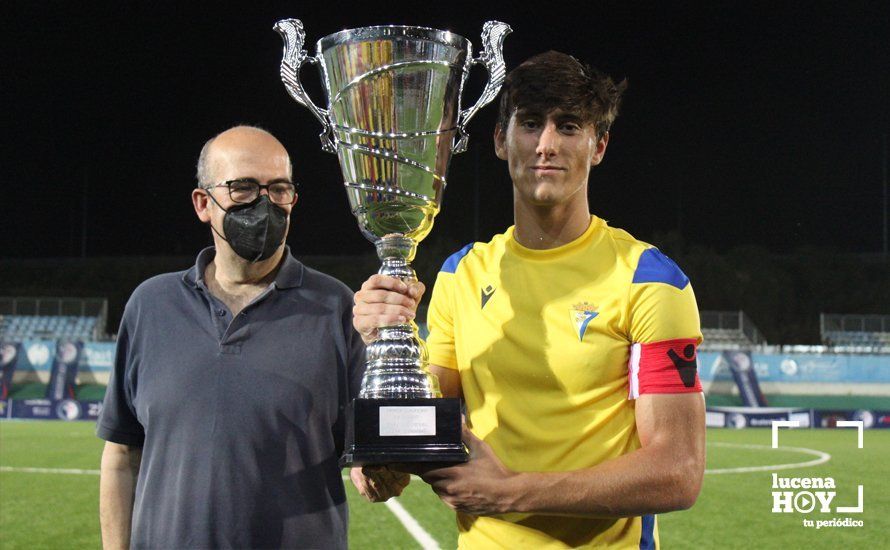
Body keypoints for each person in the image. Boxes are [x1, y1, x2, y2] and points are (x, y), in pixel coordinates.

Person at [352, 52, 706, 548]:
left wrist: (512, 493)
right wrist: (382, 405)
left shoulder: (649, 280)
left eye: (568, 126)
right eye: (531, 124)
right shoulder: (462, 273)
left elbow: (678, 470)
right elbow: (432, 421)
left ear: (598, 145)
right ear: (501, 140)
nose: (546, 145)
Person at [97, 126, 403, 549]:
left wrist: (383, 468)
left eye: (279, 189)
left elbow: (375, 455)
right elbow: (121, 457)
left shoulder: (338, 308)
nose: (264, 203)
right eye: (242, 187)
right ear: (204, 203)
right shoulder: (150, 305)